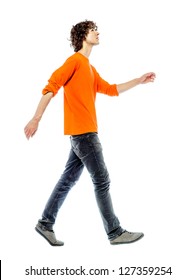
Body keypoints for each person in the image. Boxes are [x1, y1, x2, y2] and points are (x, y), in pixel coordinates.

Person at [24, 20, 156, 246]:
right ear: (82, 35)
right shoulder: (74, 62)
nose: (97, 32)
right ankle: (115, 232)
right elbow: (50, 88)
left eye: (97, 29)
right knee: (101, 180)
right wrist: (36, 118)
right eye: (93, 29)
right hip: (84, 135)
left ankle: (45, 223)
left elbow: (111, 89)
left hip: (81, 135)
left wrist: (138, 80)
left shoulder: (89, 68)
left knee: (68, 180)